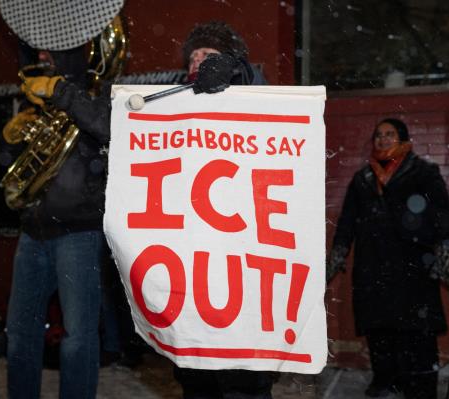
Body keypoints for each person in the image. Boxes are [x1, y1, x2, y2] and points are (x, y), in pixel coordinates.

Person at [18, 20, 272, 399]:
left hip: (238, 255)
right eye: (194, 55)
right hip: (189, 255)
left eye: (209, 55)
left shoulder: (249, 92)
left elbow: (266, 100)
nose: (199, 61)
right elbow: (120, 127)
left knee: (241, 373)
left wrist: (235, 74)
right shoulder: (170, 99)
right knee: (194, 368)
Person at [326, 118, 449, 399]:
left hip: (414, 266)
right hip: (373, 266)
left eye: (390, 134)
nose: (383, 139)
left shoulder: (424, 173)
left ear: (402, 139)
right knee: (379, 329)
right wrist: (338, 253)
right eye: (378, 135)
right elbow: (347, 221)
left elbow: (441, 216)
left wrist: (444, 251)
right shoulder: (363, 179)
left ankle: (421, 389)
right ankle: (386, 381)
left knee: (417, 333)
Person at [3, 43, 108, 399]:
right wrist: (12, 137)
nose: (42, 59)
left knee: (78, 337)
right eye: (39, 53)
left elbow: (107, 129)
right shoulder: (32, 98)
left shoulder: (96, 92)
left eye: (51, 52)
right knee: (19, 333)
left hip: (79, 232)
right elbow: (11, 166)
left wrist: (62, 92)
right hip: (32, 232)